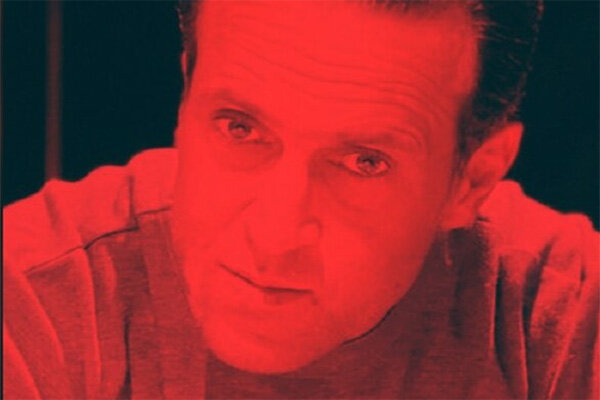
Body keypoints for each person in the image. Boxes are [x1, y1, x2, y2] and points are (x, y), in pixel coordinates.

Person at [3, 0, 598, 399]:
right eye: (239, 128)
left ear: (471, 181)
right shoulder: (35, 299)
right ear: (186, 95)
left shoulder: (561, 317)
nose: (276, 233)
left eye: (364, 162)